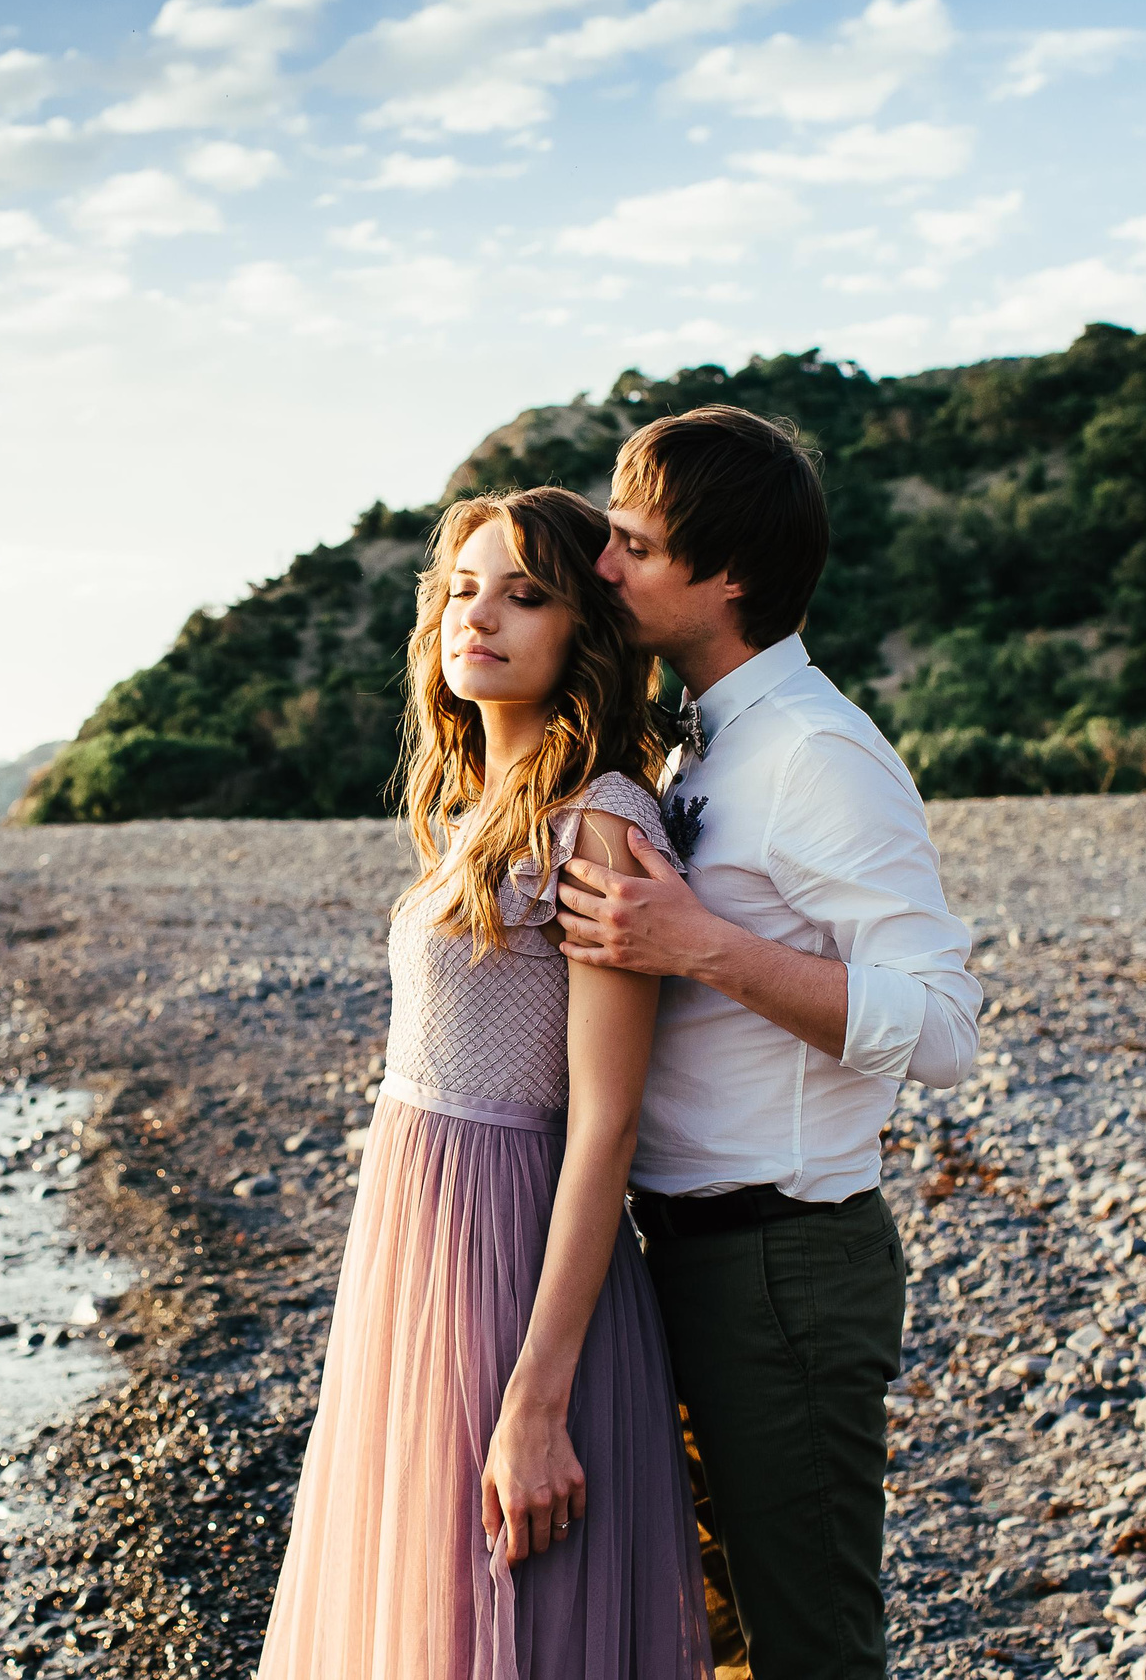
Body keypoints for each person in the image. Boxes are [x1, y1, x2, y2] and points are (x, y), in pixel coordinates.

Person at [554, 405, 982, 1679]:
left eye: (632, 544)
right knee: (715, 1641)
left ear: (726, 575)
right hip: (681, 1257)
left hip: (781, 1268)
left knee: (807, 1650)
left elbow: (945, 1027)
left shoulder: (817, 754)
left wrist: (703, 946)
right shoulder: (709, 737)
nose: (605, 567)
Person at [257, 486, 712, 1680]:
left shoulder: (596, 822)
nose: (481, 617)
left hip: (509, 1260)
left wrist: (538, 1399)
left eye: (525, 594)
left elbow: (604, 1118)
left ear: (583, 633)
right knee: (425, 1610)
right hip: (412, 1249)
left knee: (511, 1615)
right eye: (463, 589)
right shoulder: (473, 812)